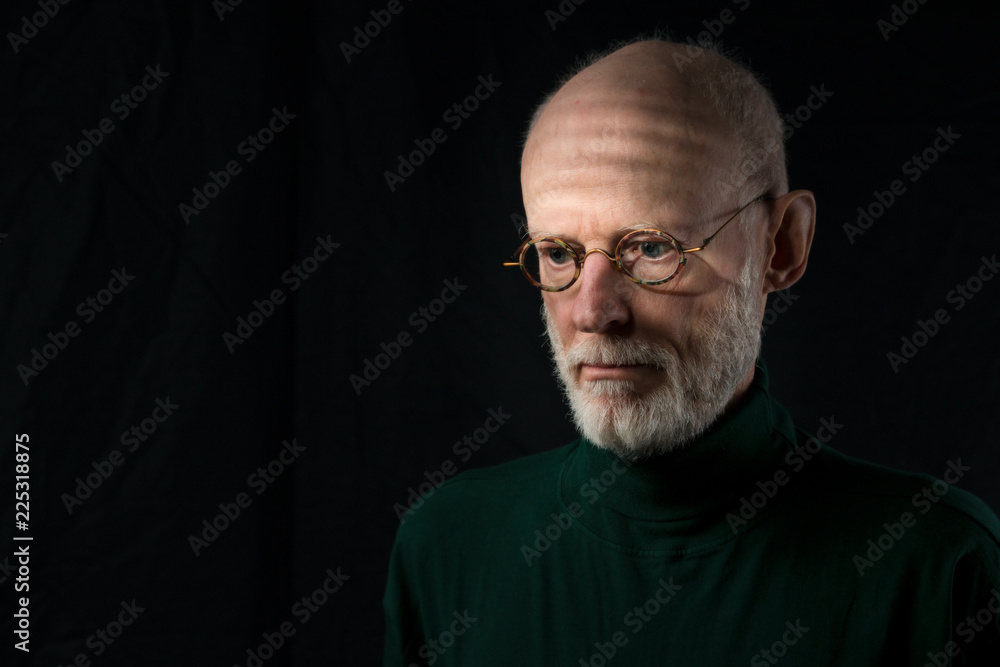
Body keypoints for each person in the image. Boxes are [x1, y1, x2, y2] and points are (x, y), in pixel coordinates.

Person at [383, 37, 1000, 666]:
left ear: (781, 246)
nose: (594, 313)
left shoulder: (934, 568)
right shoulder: (447, 547)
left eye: (652, 248)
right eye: (560, 253)